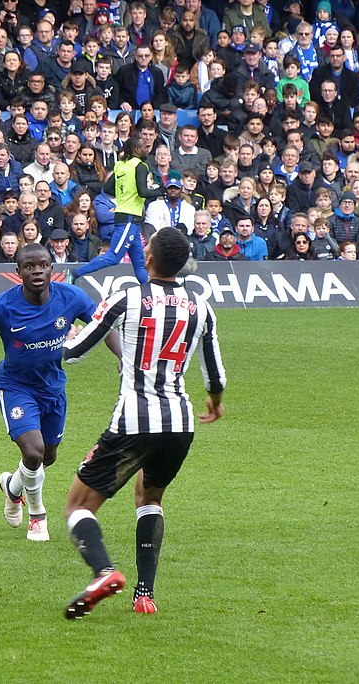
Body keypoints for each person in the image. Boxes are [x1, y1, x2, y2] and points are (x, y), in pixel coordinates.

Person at [60, 227, 227, 619]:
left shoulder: (127, 298)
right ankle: (144, 595)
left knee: (77, 506)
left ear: (148, 258)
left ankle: (103, 572)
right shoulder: (201, 306)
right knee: (149, 498)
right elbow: (216, 376)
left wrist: (58, 336)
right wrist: (215, 404)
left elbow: (76, 350)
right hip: (180, 423)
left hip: (134, 419)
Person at [0, 244, 120, 542]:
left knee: (48, 457)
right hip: (15, 386)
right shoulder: (1, 305)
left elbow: (105, 326)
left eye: (43, 265)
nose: (37, 271)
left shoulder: (71, 297)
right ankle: (38, 517)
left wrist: (122, 356)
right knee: (33, 451)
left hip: (52, 386)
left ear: (52, 269)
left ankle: (12, 488)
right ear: (18, 272)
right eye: (29, 267)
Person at [72, 138, 162, 284]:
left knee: (139, 262)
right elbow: (143, 192)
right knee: (113, 257)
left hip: (128, 217)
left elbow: (107, 189)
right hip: (129, 217)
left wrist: (125, 193)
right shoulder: (140, 166)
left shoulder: (120, 165)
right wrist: (161, 191)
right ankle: (75, 272)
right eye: (144, 147)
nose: (147, 150)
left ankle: (148, 289)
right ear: (137, 150)